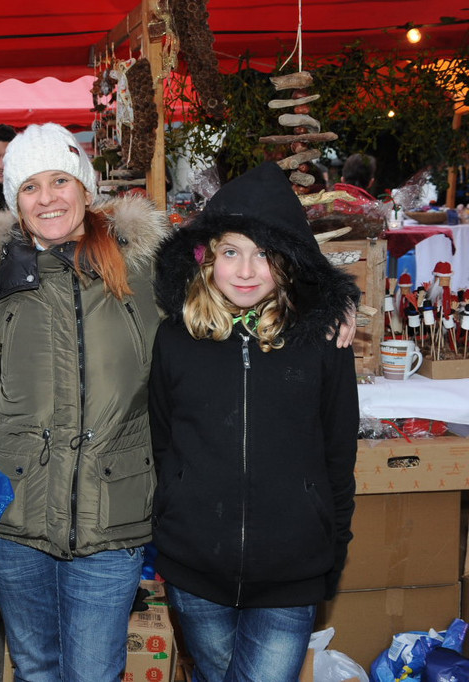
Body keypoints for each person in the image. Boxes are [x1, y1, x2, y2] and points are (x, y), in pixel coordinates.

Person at [0, 122, 169, 682]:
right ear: (15, 201)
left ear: (85, 186)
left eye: (60, 180)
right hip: (16, 514)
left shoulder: (145, 268)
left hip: (111, 512)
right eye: (30, 186)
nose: (47, 197)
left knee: (93, 672)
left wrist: (328, 306)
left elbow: (232, 299)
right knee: (35, 667)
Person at [149, 161, 360, 682]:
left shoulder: (321, 341)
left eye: (264, 254)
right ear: (206, 257)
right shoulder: (176, 339)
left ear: (288, 261)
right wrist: (174, 513)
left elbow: (339, 451)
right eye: (231, 252)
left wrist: (332, 547)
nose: (246, 271)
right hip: (195, 564)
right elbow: (163, 440)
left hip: (292, 569)